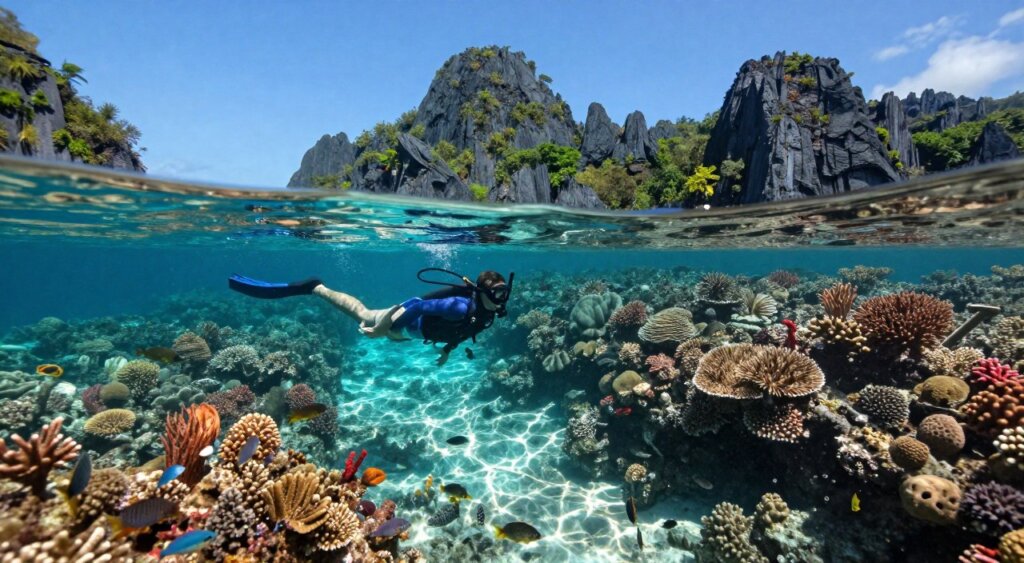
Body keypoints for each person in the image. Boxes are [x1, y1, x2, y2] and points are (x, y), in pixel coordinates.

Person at [227, 269, 513, 366]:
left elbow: (462, 332)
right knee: (363, 315)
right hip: (404, 321)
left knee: (370, 319)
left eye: (504, 293)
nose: (501, 299)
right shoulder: (460, 307)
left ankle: (318, 288)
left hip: (409, 333)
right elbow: (417, 304)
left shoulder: (489, 314)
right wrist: (385, 327)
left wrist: (448, 351)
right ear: (480, 291)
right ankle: (316, 288)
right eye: (496, 293)